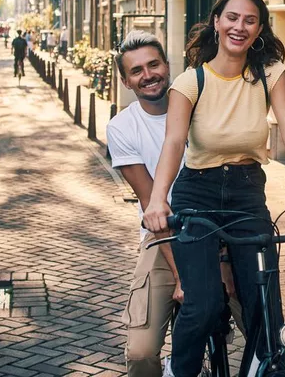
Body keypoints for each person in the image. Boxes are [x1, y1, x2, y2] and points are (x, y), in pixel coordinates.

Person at [143, 0, 285, 377]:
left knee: (265, 304)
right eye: (232, 17)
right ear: (216, 22)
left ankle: (267, 369)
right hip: (196, 194)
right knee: (202, 304)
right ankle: (178, 371)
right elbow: (174, 142)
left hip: (247, 194)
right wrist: (157, 200)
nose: (239, 26)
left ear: (259, 29)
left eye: (250, 20)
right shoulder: (190, 82)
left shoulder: (271, 75)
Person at [108, 30, 242, 377]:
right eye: (136, 70)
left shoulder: (203, 110)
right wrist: (184, 276)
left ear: (168, 66)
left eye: (154, 64)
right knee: (140, 353)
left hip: (221, 231)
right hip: (165, 241)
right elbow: (153, 203)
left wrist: (223, 261)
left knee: (268, 332)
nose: (148, 74)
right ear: (126, 81)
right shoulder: (122, 128)